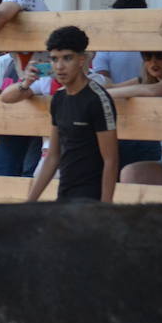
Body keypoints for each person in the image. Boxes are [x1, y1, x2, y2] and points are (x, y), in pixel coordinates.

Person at [25, 26, 119, 203]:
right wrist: (29, 202)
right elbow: (53, 156)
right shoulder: (59, 98)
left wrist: (105, 209)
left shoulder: (97, 99)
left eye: (67, 58)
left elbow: (111, 160)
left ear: (81, 59)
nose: (59, 67)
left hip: (91, 199)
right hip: (65, 193)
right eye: (54, 59)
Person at [91, 0, 147, 85]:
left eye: (117, 18)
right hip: (115, 97)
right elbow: (102, 77)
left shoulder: (154, 43)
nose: (114, 21)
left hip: (147, 96)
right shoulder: (106, 44)